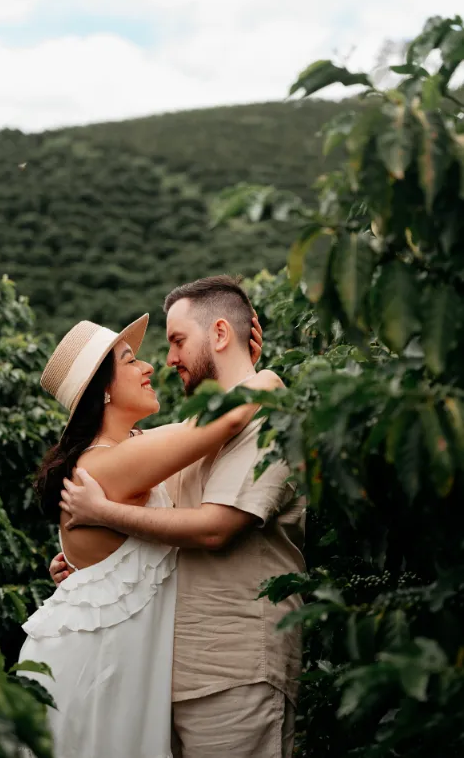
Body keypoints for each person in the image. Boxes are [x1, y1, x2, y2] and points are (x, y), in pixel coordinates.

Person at [54, 275, 306, 758]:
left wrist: (265, 377)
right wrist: (92, 567)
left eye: (176, 341)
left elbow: (215, 527)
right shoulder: (179, 436)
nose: (165, 360)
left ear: (218, 334)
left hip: (232, 666)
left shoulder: (268, 417)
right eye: (137, 357)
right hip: (164, 671)